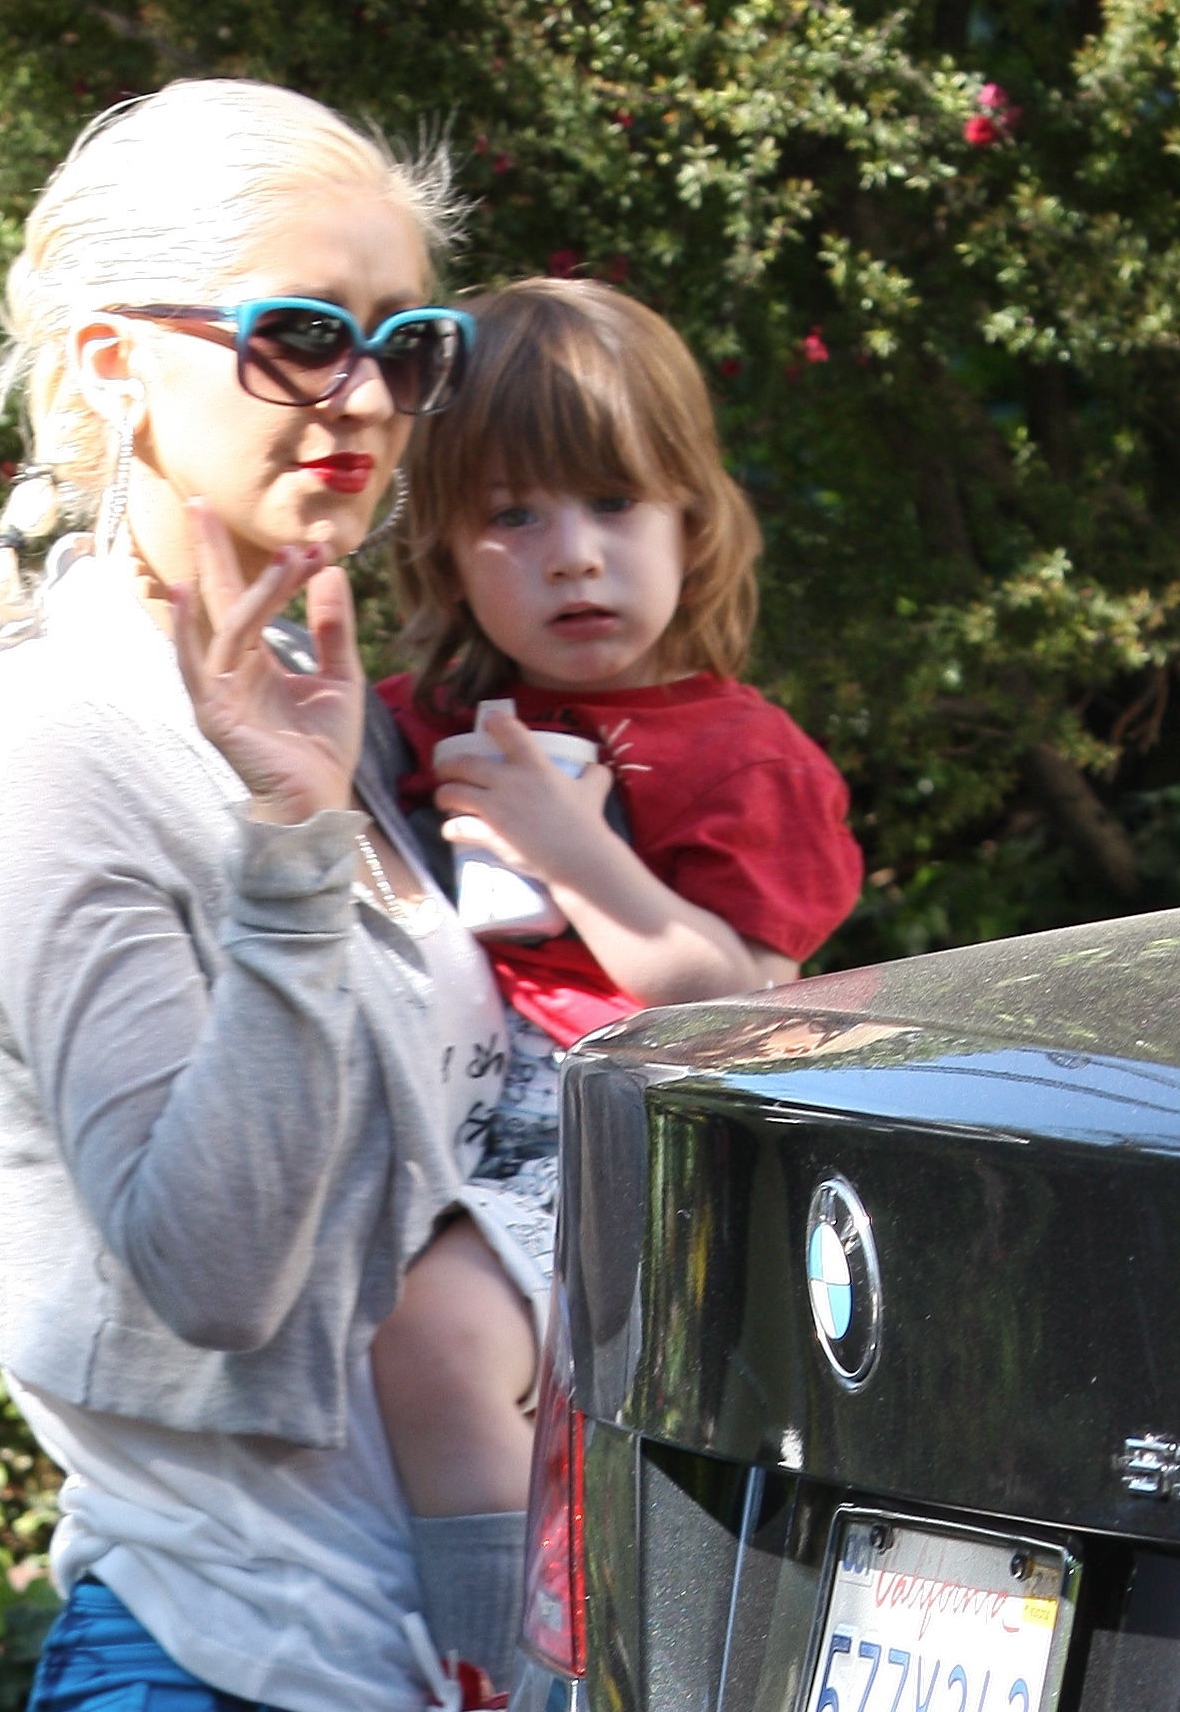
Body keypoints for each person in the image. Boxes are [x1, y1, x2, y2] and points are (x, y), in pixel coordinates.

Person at [0, 80, 523, 1712]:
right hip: (225, 1653)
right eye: (300, 334)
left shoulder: (323, 710)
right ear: (112, 367)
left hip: (434, 1656)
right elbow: (214, 1277)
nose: (363, 395)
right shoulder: (65, 741)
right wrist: (287, 852)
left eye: (404, 347)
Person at [370, 278, 864, 1531]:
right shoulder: (414, 718)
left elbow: (739, 996)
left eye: (612, 501)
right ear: (443, 551)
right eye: (512, 514)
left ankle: (500, 1639)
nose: (574, 553)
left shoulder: (746, 756)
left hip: (629, 1123)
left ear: (691, 519)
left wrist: (571, 850)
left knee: (437, 1344)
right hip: (429, 1111)